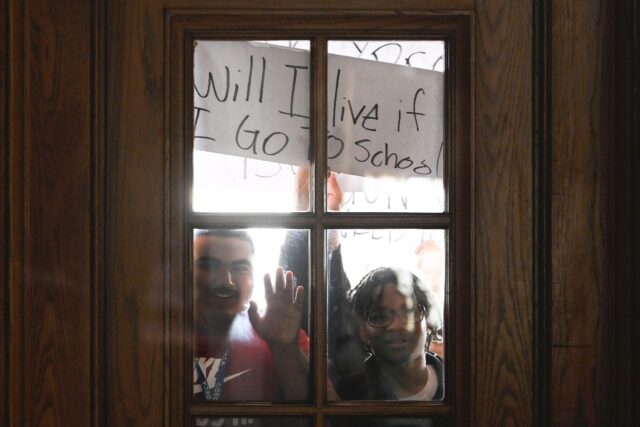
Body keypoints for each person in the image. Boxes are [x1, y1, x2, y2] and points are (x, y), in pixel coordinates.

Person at [193, 229, 309, 403]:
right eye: (210, 265)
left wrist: (284, 349)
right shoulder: (161, 337)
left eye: (240, 268)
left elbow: (331, 418)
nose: (227, 281)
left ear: (254, 278)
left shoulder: (280, 335)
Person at [334, 267, 444, 401]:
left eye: (409, 312)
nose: (396, 325)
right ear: (363, 331)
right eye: (379, 317)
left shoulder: (462, 382)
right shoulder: (344, 394)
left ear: (428, 322)